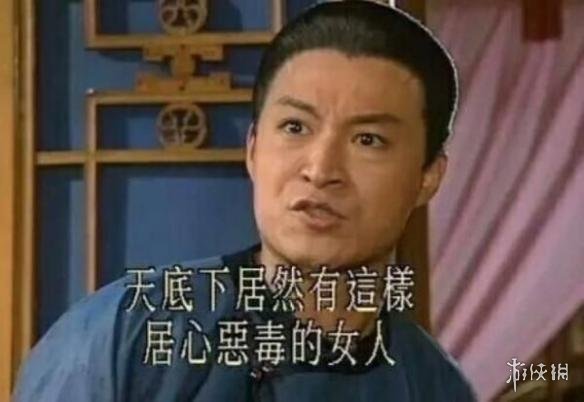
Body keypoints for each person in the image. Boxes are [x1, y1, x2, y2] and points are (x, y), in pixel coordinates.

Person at [13, 1, 476, 401]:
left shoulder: (434, 386)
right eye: (295, 127)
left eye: (368, 139)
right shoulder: (125, 334)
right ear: (253, 149)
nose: (320, 169)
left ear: (428, 177)